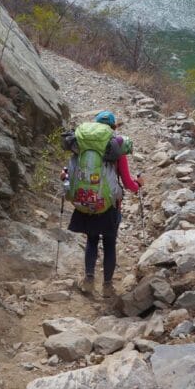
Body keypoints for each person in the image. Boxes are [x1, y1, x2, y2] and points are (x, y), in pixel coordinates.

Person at [64, 109, 144, 298]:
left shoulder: (81, 146)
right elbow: (127, 182)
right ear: (113, 128)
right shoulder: (115, 149)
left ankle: (89, 280)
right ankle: (107, 286)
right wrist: (138, 185)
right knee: (109, 243)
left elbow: (70, 173)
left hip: (85, 201)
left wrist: (65, 178)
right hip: (109, 205)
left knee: (91, 241)